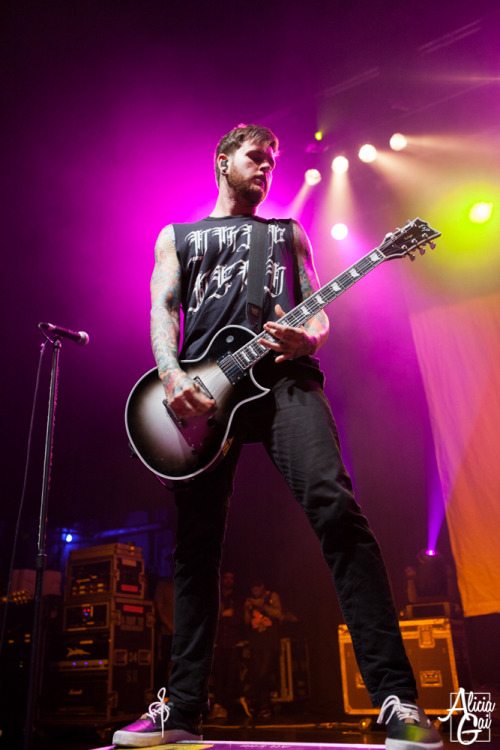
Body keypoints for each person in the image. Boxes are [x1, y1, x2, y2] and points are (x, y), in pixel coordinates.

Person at [112, 124, 443, 750]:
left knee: (338, 511)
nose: (265, 170)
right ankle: (180, 711)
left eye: (271, 163)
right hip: (204, 397)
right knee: (196, 550)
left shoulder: (286, 232)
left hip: (287, 383)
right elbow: (162, 306)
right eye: (254, 159)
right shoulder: (179, 237)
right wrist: (171, 375)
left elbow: (316, 308)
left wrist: (311, 337)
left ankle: (396, 698)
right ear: (222, 161)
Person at [243, 580, 282, 718]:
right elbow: (247, 621)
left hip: (269, 640)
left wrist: (262, 606)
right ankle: (264, 706)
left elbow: (278, 614)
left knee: (264, 671)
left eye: (256, 590)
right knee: (259, 672)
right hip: (256, 641)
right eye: (252, 591)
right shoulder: (250, 600)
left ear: (262, 586)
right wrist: (248, 609)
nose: (254, 593)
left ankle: (248, 695)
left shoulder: (272, 596)